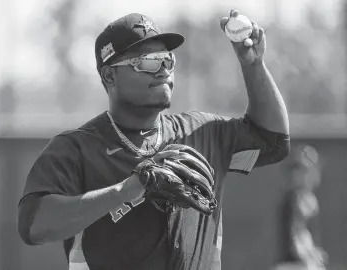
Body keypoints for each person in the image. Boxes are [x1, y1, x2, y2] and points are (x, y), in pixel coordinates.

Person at [17, 10, 290, 270]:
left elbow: (273, 141)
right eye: (148, 62)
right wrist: (124, 191)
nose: (163, 70)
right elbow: (33, 225)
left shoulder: (201, 132)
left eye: (167, 60)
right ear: (110, 75)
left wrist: (253, 65)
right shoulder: (76, 148)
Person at [273, 145, 328, 270]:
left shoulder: (309, 199)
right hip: (292, 264)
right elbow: (295, 234)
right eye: (299, 170)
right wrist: (307, 256)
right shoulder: (292, 199)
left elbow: (307, 234)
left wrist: (314, 252)